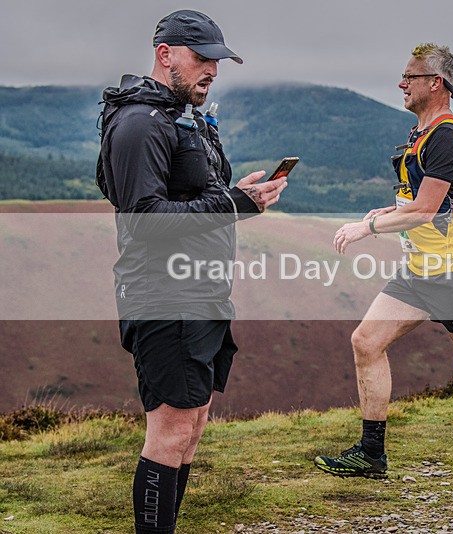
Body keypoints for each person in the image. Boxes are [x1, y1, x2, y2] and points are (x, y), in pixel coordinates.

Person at [98, 10, 288, 533]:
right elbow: (144, 220)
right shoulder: (140, 123)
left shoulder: (180, 117)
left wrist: (238, 196)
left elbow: (195, 198)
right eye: (202, 58)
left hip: (201, 294)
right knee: (170, 432)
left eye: (217, 61)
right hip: (164, 297)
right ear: (165, 55)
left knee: (192, 425)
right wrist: (233, 204)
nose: (213, 71)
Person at [315, 43, 453, 501]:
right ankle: (371, 453)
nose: (401, 84)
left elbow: (426, 211)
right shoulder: (420, 134)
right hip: (421, 268)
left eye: (410, 77)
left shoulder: (448, 135)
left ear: (435, 83)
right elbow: (423, 201)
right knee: (366, 342)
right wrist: (387, 211)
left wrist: (366, 228)